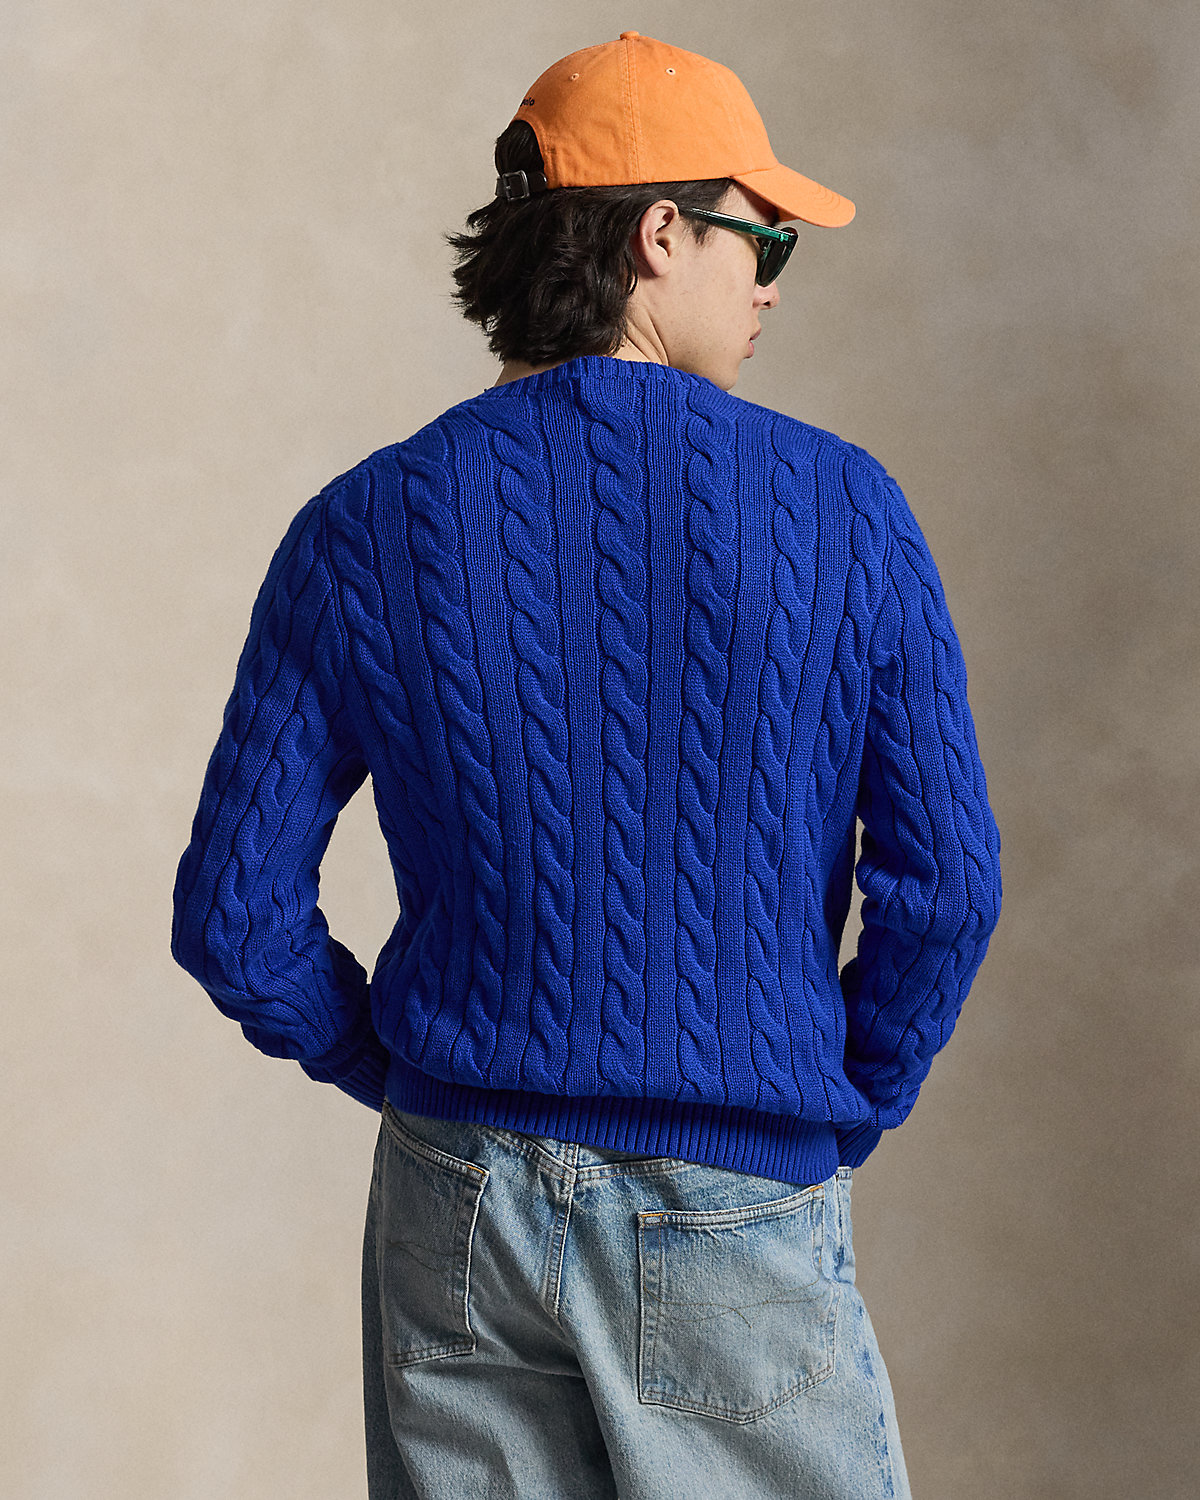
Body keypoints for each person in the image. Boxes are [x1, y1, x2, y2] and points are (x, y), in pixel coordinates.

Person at [171, 30, 1001, 1500]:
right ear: (658, 235)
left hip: (458, 1190)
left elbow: (234, 917)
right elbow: (946, 896)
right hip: (737, 1190)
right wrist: (835, 1103)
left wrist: (408, 1074)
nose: (773, 282)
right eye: (763, 239)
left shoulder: (366, 525)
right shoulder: (847, 513)